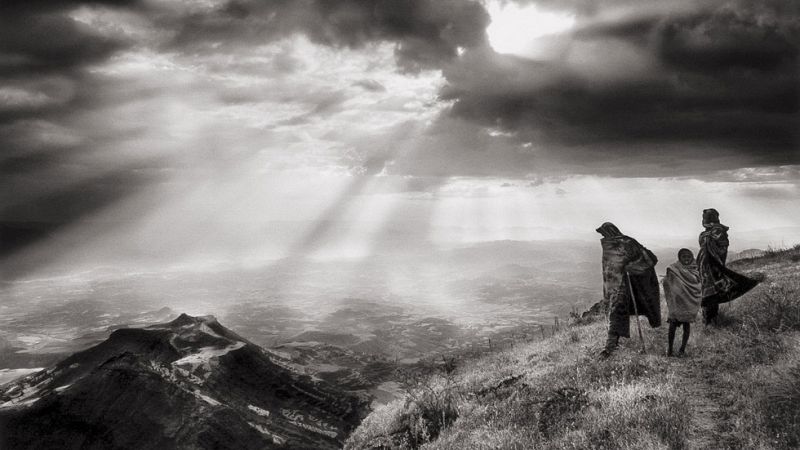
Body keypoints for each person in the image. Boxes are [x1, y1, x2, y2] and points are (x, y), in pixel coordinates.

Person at [597, 222, 661, 357]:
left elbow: (649, 258)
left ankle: (609, 347)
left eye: (604, 233)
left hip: (623, 285)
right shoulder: (608, 246)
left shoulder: (627, 243)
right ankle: (613, 344)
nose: (602, 236)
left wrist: (631, 266)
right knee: (615, 313)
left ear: (610, 232)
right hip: (612, 286)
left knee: (616, 313)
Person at [697, 209, 760, 324]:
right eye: (705, 216)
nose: (705, 219)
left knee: (712, 292)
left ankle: (711, 320)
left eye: (707, 217)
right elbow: (704, 243)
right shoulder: (708, 232)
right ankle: (708, 320)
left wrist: (709, 239)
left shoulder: (717, 230)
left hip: (713, 266)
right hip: (704, 267)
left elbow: (722, 246)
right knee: (707, 292)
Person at [662, 248, 701, 356]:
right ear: (679, 258)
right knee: (672, 325)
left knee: (686, 326)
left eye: (689, 257)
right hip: (677, 302)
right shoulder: (673, 268)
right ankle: (669, 349)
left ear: (692, 257)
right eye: (684, 257)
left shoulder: (694, 269)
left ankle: (682, 350)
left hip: (688, 303)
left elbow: (697, 283)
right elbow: (667, 281)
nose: (687, 259)